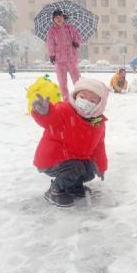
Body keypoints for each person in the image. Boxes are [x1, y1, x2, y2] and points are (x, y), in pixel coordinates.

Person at [31, 78, 109, 207]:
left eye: (92, 100)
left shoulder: (97, 122)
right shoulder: (65, 110)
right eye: (83, 96)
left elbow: (99, 147)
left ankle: (74, 187)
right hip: (52, 159)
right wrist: (45, 113)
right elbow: (51, 119)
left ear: (100, 105)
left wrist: (101, 166)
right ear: (75, 95)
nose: (86, 102)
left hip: (73, 160)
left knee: (89, 169)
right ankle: (55, 191)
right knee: (75, 168)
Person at [47, 9, 82, 101]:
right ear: (53, 19)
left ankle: (80, 98)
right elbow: (50, 43)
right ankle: (66, 101)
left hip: (72, 58)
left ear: (63, 17)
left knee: (77, 81)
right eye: (56, 17)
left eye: (60, 16)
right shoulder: (52, 31)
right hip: (59, 61)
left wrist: (76, 42)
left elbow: (78, 38)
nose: (58, 19)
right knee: (62, 83)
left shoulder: (70, 28)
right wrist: (52, 55)